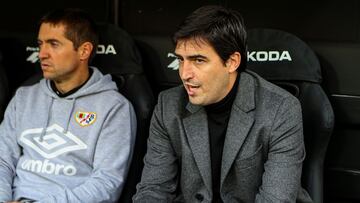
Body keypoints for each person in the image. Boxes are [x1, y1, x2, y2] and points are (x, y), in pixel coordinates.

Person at [133, 5, 312, 203]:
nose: (184, 73)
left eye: (198, 60)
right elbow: (153, 189)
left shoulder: (281, 109)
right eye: (181, 60)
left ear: (232, 62)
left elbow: (276, 199)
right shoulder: (168, 105)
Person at [0, 8, 136, 202]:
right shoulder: (24, 97)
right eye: (40, 44)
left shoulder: (114, 107)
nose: (42, 54)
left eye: (54, 44)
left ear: (84, 51)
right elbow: (3, 160)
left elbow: (107, 183)